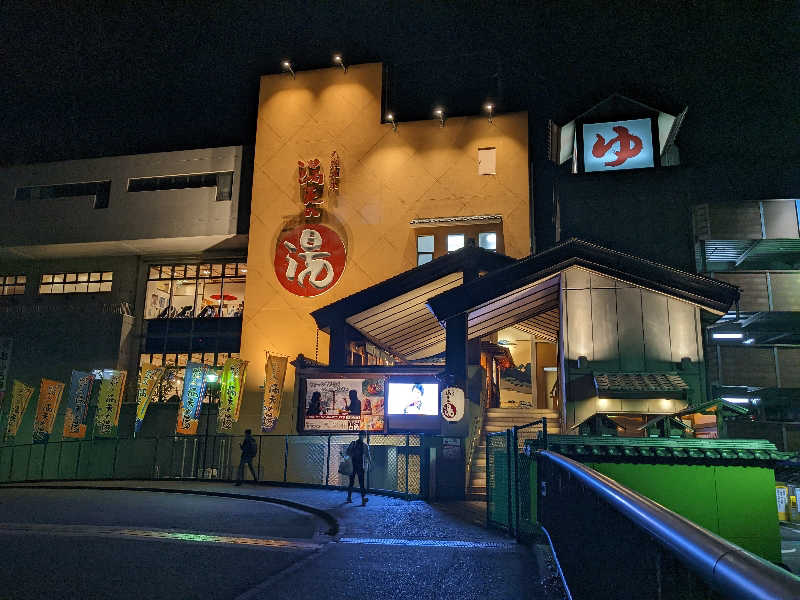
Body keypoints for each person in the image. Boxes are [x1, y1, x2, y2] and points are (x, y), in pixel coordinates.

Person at [345, 431, 371, 505]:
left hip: (353, 465)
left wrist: (347, 458)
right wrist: (371, 464)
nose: (362, 436)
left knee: (352, 482)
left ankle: (349, 498)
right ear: (364, 436)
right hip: (359, 466)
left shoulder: (354, 443)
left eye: (362, 435)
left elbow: (347, 452)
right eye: (362, 435)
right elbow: (368, 456)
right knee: (361, 483)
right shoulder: (364, 445)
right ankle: (362, 500)